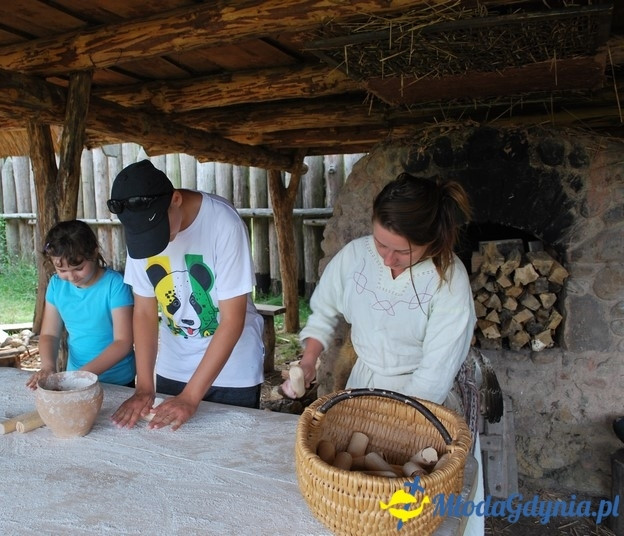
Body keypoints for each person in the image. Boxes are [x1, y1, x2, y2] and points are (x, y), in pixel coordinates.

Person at [292, 171, 484, 535]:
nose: (387, 259)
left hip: (423, 402)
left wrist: (398, 429)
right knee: (355, 500)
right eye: (381, 244)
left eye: (402, 251)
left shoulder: (449, 281)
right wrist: (308, 358)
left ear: (430, 241)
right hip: (365, 384)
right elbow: (323, 310)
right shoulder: (355, 257)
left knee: (408, 508)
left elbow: (436, 370)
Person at [107, 159, 263, 431]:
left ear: (176, 199)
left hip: (232, 373)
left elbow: (232, 319)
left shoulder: (223, 223)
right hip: (173, 368)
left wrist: (191, 397)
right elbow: (144, 311)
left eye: (158, 231)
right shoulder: (140, 229)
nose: (154, 242)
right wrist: (145, 386)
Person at [26, 220, 135, 390]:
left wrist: (82, 376)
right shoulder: (56, 285)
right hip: (75, 375)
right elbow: (49, 334)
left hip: (117, 380)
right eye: (62, 270)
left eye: (78, 268)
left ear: (94, 253)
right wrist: (48, 367)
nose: (71, 277)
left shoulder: (115, 285)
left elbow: (123, 342)